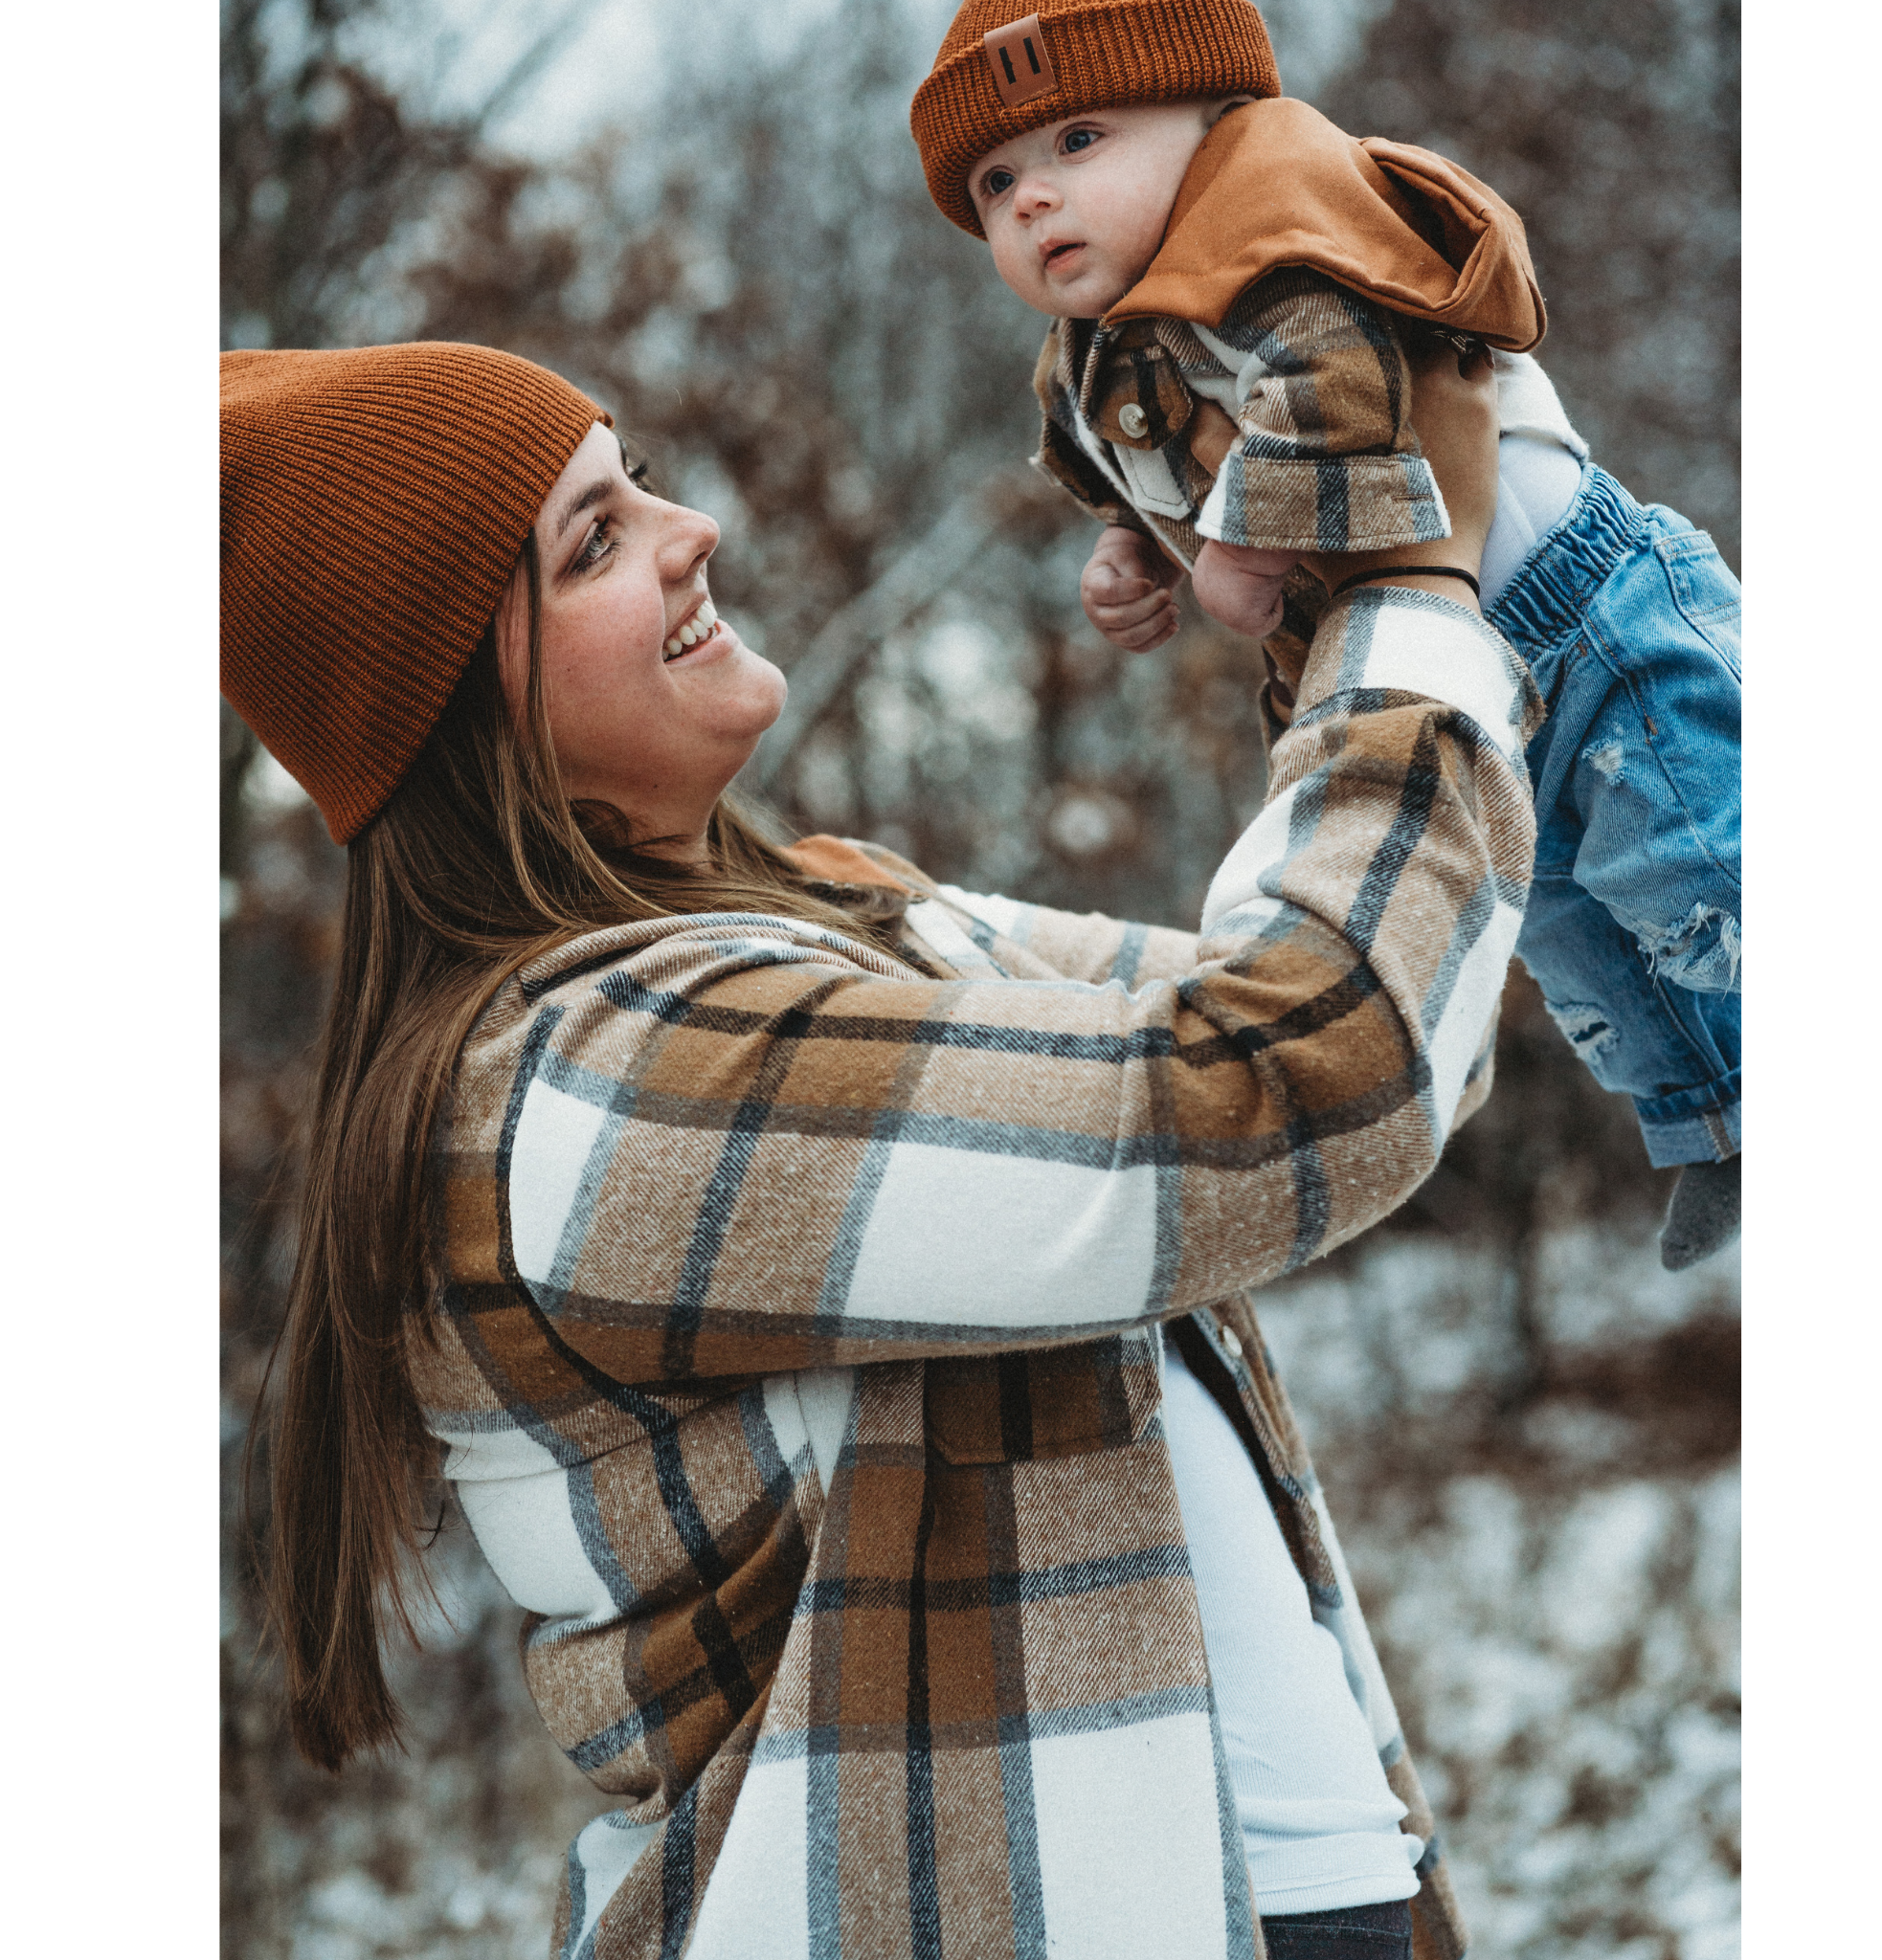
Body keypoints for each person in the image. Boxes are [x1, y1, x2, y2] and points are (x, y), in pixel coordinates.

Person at [222, 332, 1520, 1960]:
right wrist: (1411, 589)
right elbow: (1305, 1074)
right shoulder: (596, 1084)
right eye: (595, 542)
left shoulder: (848, 913)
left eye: (638, 482)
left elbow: (1395, 1017)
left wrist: (1305, 586)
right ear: (457, 709)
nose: (692, 529)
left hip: (1270, 1896)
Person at [911, 0, 1742, 1266]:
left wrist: (1244, 550)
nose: (1031, 198)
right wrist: (1130, 553)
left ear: (1214, 117)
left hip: (1587, 608)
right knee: (1576, 933)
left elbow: (1338, 382)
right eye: (994, 182)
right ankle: (1714, 1123)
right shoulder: (1090, 355)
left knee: (1694, 865)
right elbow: (1123, 476)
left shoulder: (1280, 231)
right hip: (1466, 676)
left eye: (1080, 140)